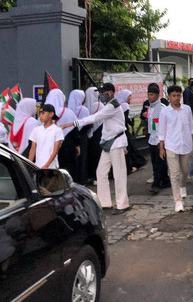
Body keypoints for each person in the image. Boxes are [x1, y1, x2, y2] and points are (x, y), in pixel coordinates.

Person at [65, 83, 130, 215]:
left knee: (119, 174)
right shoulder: (109, 105)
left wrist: (74, 123)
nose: (101, 95)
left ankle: (122, 204)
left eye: (103, 92)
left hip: (116, 142)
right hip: (108, 143)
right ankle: (105, 203)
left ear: (111, 93)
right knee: (101, 172)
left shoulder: (113, 105)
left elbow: (95, 117)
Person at [158, 85, 193, 213]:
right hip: (171, 146)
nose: (176, 98)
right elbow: (162, 131)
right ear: (168, 97)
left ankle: (182, 185)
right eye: (173, 96)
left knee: (185, 171)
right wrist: (161, 148)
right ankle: (178, 201)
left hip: (186, 145)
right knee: (174, 174)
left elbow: (191, 127)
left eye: (178, 95)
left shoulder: (187, 109)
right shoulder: (165, 112)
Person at [45, 88, 80, 180]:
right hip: (67, 145)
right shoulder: (68, 113)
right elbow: (74, 130)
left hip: (49, 146)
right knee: (68, 169)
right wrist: (77, 145)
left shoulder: (44, 113)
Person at [144, 83, 170, 194]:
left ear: (157, 95)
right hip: (152, 138)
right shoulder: (151, 106)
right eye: (148, 94)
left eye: (152, 95)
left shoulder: (162, 108)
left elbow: (162, 126)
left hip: (160, 139)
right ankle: (165, 180)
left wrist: (162, 142)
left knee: (159, 162)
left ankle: (156, 184)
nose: (149, 97)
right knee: (157, 162)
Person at [29, 104, 64, 169]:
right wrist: (29, 165)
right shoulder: (36, 130)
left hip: (52, 167)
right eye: (40, 113)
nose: (41, 116)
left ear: (51, 114)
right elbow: (32, 149)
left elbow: (55, 151)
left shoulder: (57, 130)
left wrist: (46, 166)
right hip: (38, 166)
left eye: (43, 113)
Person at [84, 87, 104, 185]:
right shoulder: (100, 105)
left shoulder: (85, 106)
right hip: (98, 134)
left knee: (89, 155)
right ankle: (97, 177)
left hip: (87, 135)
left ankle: (89, 176)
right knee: (98, 155)